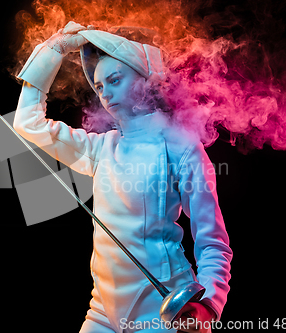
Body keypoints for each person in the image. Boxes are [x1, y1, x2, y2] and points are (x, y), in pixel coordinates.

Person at [13, 21, 233, 333]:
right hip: (103, 308)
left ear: (145, 78)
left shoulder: (182, 147)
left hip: (164, 311)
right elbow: (27, 123)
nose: (105, 94)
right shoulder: (102, 147)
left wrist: (208, 305)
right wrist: (54, 49)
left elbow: (213, 243)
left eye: (115, 80)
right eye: (100, 86)